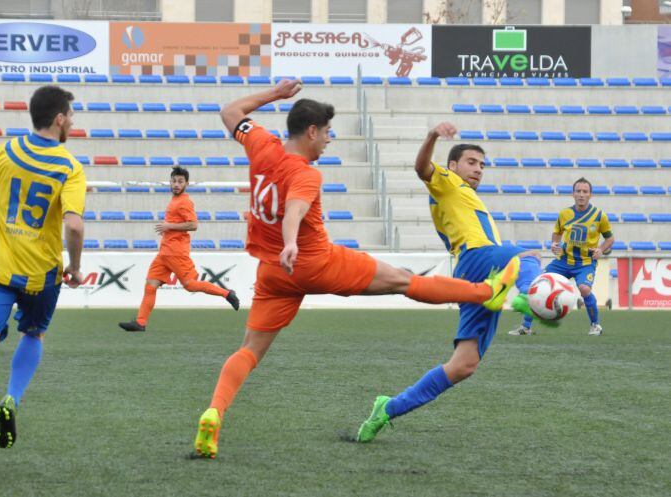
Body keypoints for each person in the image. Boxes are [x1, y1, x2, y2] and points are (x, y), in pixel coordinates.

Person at [192, 83, 520, 459]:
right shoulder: (306, 174)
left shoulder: (261, 144)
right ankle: (485, 292)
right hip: (316, 262)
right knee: (402, 280)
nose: (330, 140)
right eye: (328, 132)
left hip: (272, 272)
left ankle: (214, 411)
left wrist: (275, 94)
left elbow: (230, 111)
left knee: (249, 350)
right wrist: (291, 241)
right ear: (312, 131)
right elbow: (296, 207)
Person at [356, 121, 543, 443]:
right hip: (479, 259)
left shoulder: (462, 196)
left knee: (463, 365)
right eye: (472, 162)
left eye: (482, 165)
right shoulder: (448, 182)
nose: (478, 169)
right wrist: (431, 136)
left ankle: (387, 409)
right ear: (452, 165)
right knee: (527, 256)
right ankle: (526, 299)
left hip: (472, 272)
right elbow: (422, 168)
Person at [0, 85, 86, 476]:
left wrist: (0, 183)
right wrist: (74, 267)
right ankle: (11, 399)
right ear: (59, 119)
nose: (72, 121)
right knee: (34, 334)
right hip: (42, 275)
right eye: (71, 114)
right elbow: (74, 224)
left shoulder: (6, 152)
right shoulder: (69, 167)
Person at [118, 167, 240, 332]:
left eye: (180, 181)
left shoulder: (184, 201)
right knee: (150, 285)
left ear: (186, 184)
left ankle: (227, 294)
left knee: (190, 285)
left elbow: (193, 224)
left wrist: (168, 226)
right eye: (174, 181)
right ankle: (140, 322)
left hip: (176, 252)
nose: (176, 184)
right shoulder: (174, 200)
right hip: (164, 253)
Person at [508, 177, 614, 337]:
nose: (581, 194)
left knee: (585, 289)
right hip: (563, 261)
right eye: (578, 191)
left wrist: (600, 249)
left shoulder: (599, 215)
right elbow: (557, 233)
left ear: (590, 195)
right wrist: (554, 244)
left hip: (585, 263)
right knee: (537, 284)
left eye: (585, 191)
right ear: (573, 194)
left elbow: (610, 239)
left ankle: (595, 325)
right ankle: (526, 326)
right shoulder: (565, 214)